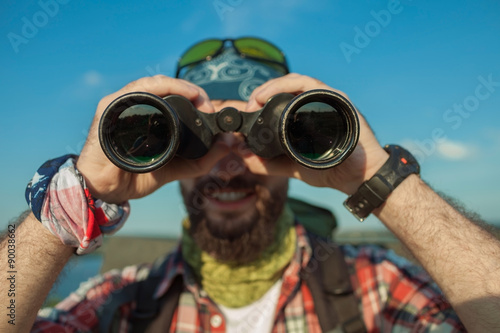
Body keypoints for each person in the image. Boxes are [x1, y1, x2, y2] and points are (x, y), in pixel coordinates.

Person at [1, 37, 499, 333]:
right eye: (198, 135)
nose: (227, 165)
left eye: (255, 137)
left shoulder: (378, 287)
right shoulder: (119, 303)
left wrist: (375, 175)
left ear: (291, 141)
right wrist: (80, 194)